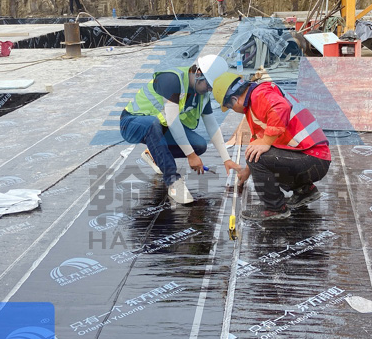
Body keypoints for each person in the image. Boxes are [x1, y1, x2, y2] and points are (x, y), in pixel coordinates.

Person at [120, 55, 239, 204]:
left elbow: (212, 125)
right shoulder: (171, 79)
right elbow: (173, 121)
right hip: (132, 122)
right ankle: (173, 181)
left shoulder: (201, 94)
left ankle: (154, 155)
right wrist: (190, 155)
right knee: (153, 124)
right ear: (198, 73)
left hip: (159, 127)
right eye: (208, 86)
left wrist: (226, 159)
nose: (209, 90)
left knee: (199, 145)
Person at [212, 72, 330, 220]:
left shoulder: (259, 95)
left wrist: (266, 142)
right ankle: (305, 190)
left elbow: (281, 107)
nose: (233, 110)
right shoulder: (256, 103)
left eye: (229, 107)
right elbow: (258, 140)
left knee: (259, 157)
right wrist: (247, 171)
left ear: (234, 100)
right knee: (256, 151)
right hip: (314, 159)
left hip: (312, 159)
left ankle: (275, 208)